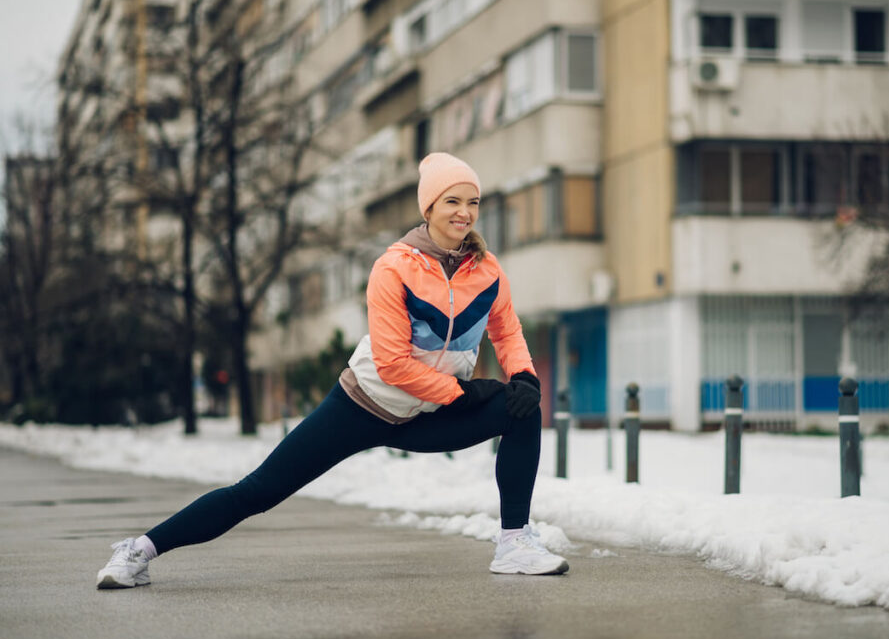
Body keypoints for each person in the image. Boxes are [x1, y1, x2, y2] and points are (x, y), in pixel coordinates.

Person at [96, 152, 569, 589]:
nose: (464, 212)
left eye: (473, 202)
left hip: (429, 413)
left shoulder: (487, 271)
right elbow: (393, 363)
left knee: (522, 409)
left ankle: (513, 544)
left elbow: (506, 332)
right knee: (258, 491)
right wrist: (468, 393)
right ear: (428, 207)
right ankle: (138, 551)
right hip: (363, 405)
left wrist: (523, 377)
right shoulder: (394, 268)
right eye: (452, 201)